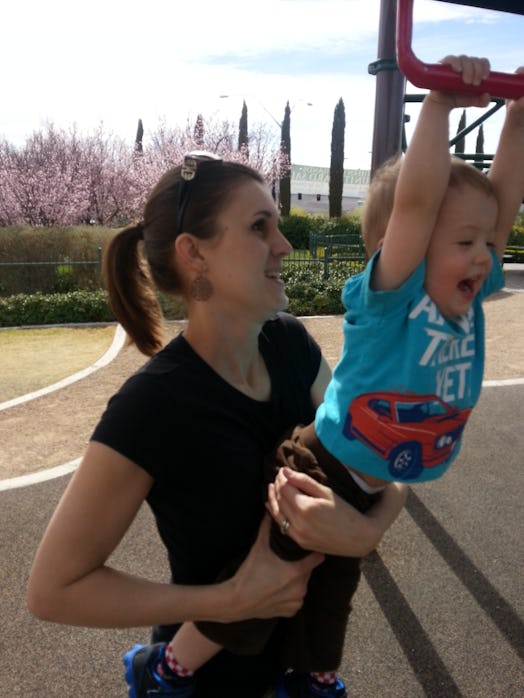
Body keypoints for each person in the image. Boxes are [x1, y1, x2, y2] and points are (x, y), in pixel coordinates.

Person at [116, 55, 524, 698]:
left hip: (372, 473)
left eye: (485, 244)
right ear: (408, 248)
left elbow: (500, 205)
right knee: (263, 587)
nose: (483, 254)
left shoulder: (465, 296)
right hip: (324, 465)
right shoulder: (396, 295)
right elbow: (417, 204)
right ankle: (166, 668)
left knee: (331, 591)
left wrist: (519, 117)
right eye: (463, 241)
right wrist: (440, 105)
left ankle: (312, 674)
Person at [26, 152, 408, 698]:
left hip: (301, 674)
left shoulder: (292, 345)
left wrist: (370, 529)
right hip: (200, 683)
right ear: (194, 254)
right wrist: (228, 601)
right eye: (260, 227)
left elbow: (376, 460)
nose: (285, 245)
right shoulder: (153, 405)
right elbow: (53, 590)